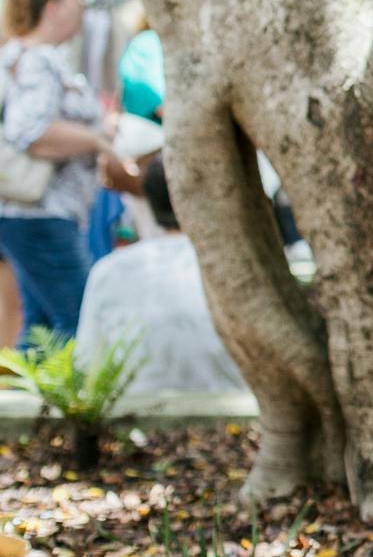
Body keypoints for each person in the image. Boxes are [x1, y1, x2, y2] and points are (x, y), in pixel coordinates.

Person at [0, 0, 131, 342]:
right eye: (79, 1)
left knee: (43, 328)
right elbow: (29, 130)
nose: (85, 10)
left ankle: (33, 400)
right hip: (41, 213)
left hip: (29, 214)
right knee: (81, 322)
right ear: (53, 9)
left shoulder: (23, 56)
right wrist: (98, 140)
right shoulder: (38, 60)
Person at [75, 159, 246, 394]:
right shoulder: (238, 267)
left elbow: (86, 365)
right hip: (234, 411)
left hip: (131, 415)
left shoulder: (109, 270)